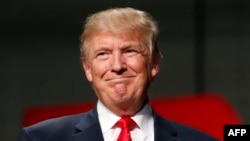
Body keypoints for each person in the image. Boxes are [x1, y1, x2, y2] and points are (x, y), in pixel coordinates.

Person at [18, 7, 218, 141]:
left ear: (154, 64)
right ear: (88, 69)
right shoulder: (39, 138)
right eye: (103, 54)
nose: (117, 65)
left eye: (129, 51)